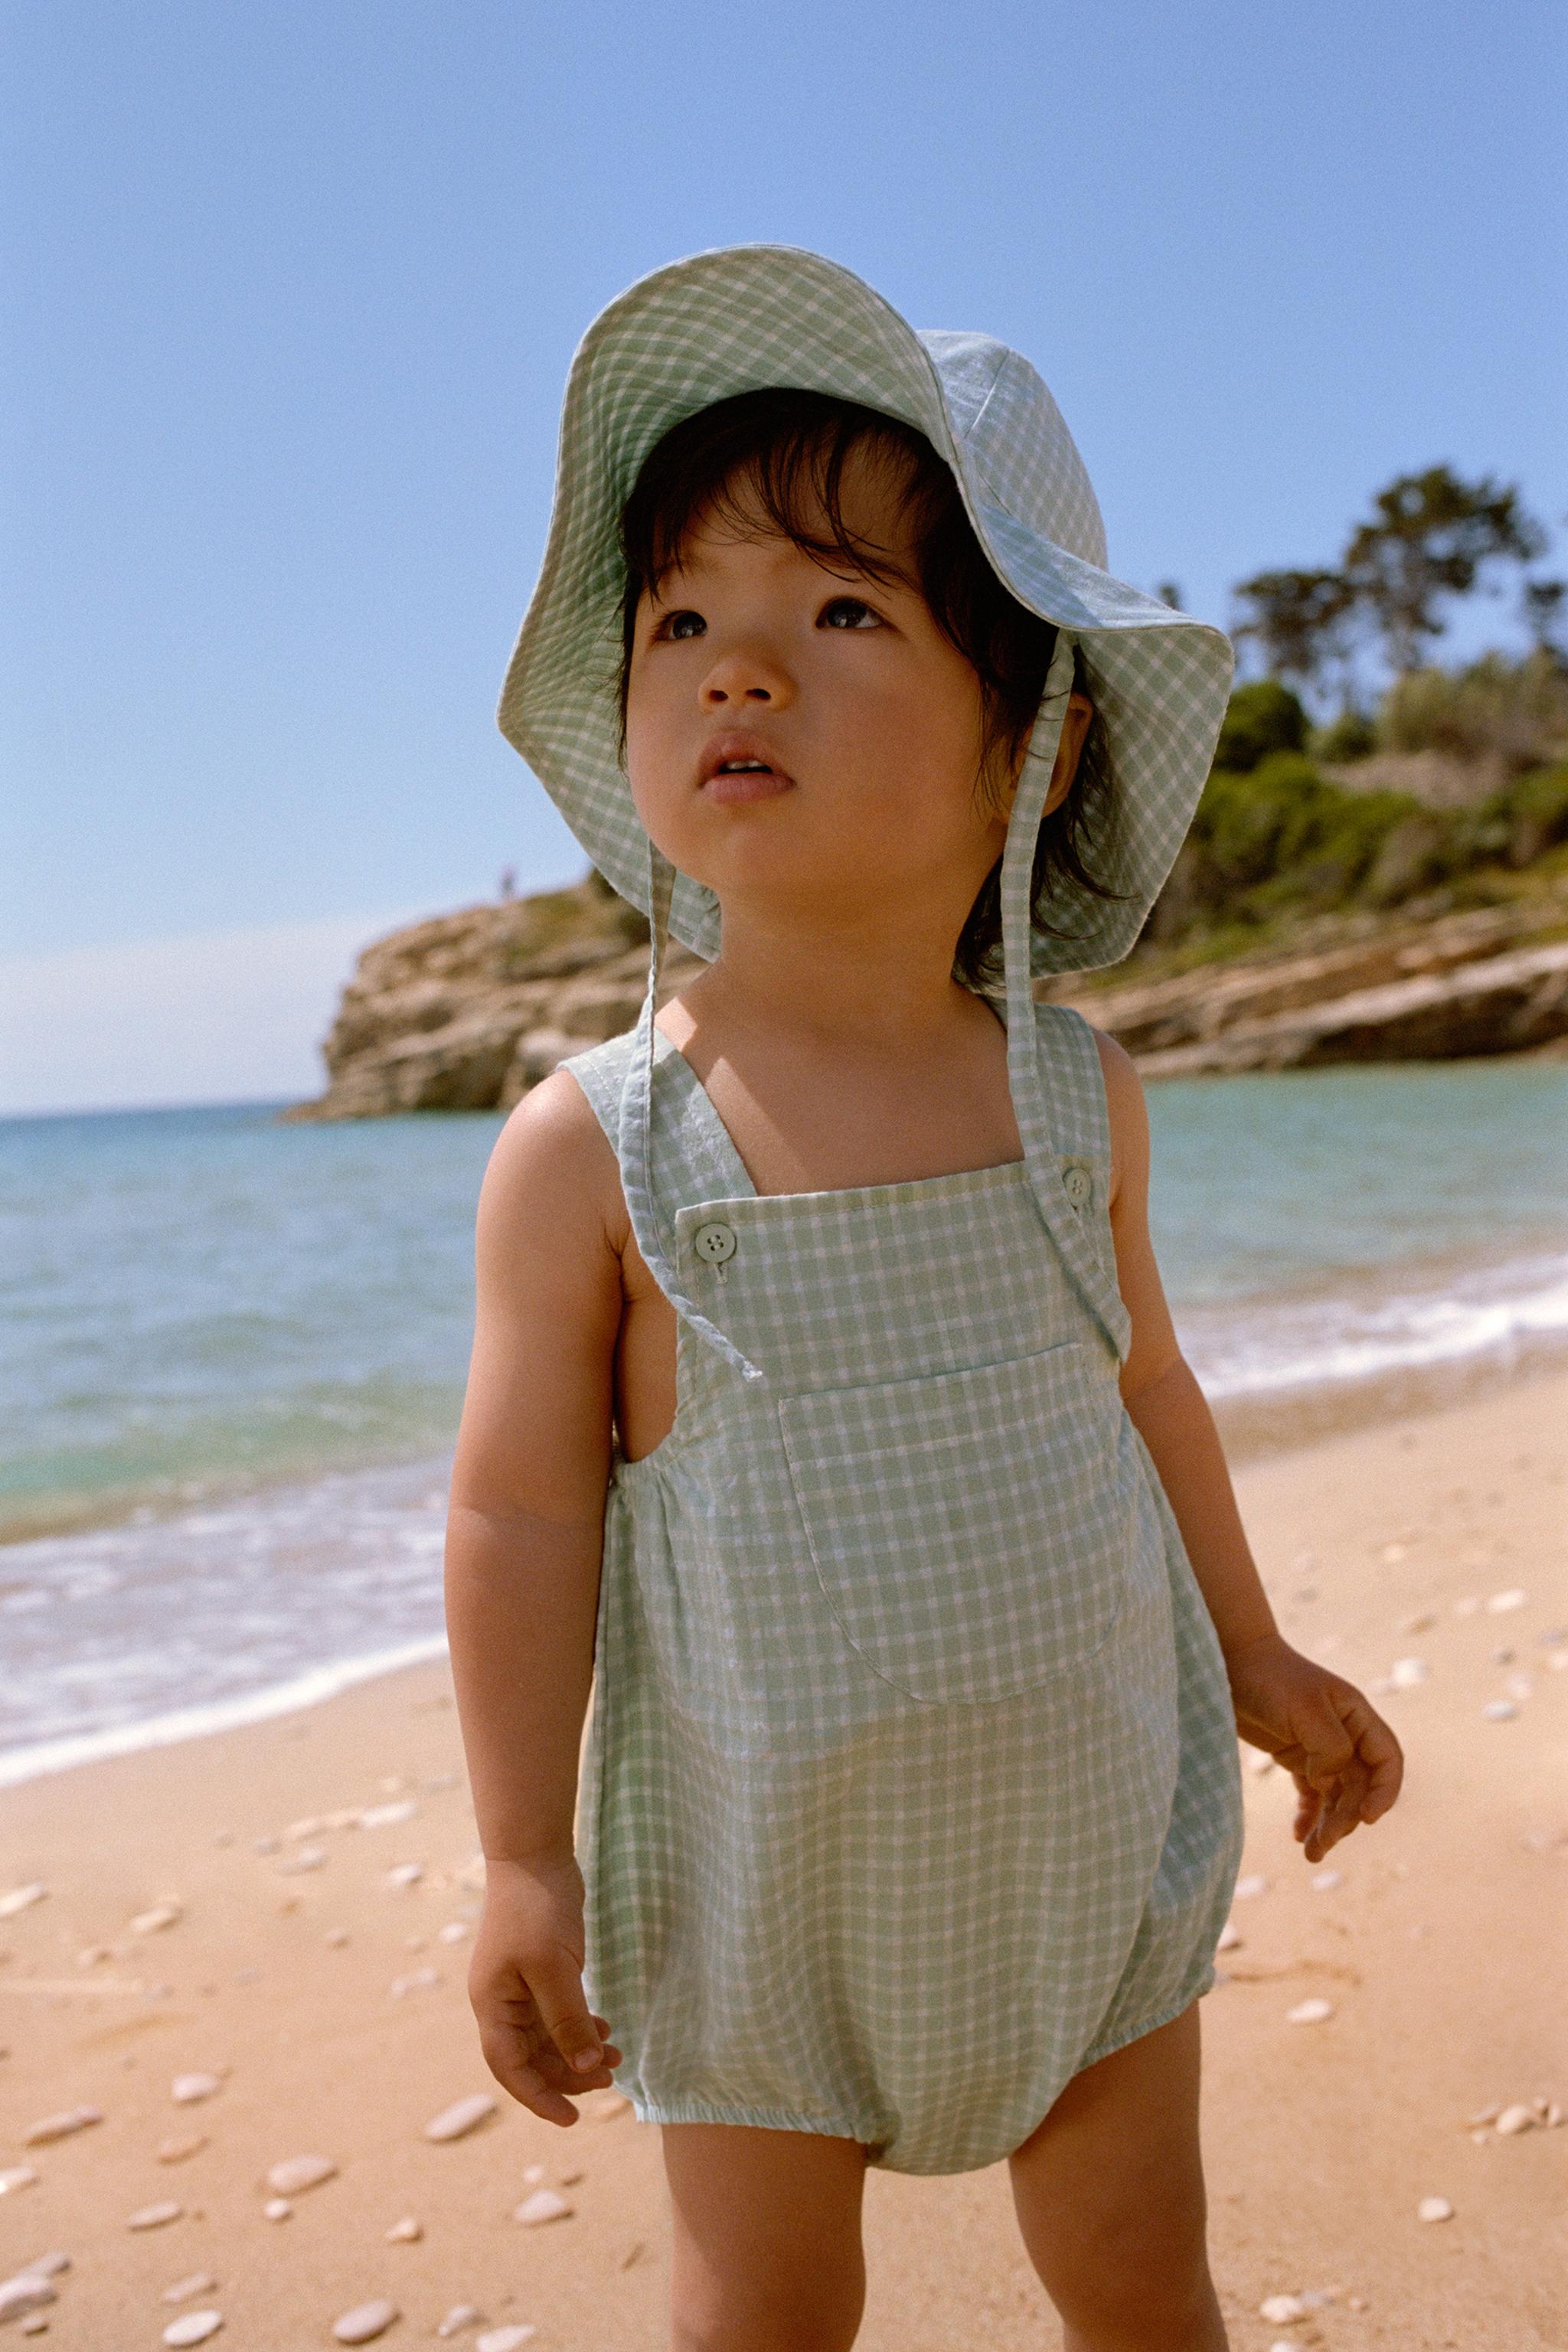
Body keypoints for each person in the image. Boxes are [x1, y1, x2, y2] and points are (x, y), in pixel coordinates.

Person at [445, 245, 1404, 2352]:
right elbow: (524, 1512)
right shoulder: (599, 1144)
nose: (737, 671)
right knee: (761, 2323)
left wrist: (1251, 1649)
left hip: (1085, 1856)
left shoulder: (1076, 1095)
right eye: (685, 617)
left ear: (1039, 744)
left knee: (1144, 2284)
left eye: (842, 614)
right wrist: (523, 1855)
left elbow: (1147, 1388)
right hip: (763, 1896)